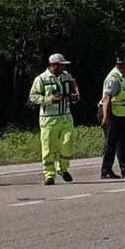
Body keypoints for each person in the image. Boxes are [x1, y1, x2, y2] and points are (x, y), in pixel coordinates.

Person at [28, 53, 80, 185]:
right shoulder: (41, 79)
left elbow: (74, 89)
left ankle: (62, 168)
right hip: (48, 119)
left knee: (68, 143)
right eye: (61, 65)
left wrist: (75, 96)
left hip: (66, 117)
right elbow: (33, 97)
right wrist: (50, 100)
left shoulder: (66, 76)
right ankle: (49, 174)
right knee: (48, 148)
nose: (63, 67)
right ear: (54, 65)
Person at [98, 56, 125, 179]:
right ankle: (106, 170)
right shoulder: (114, 78)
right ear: (123, 65)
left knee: (122, 141)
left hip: (120, 114)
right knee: (110, 143)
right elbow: (107, 98)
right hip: (111, 114)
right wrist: (105, 117)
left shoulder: (124, 77)